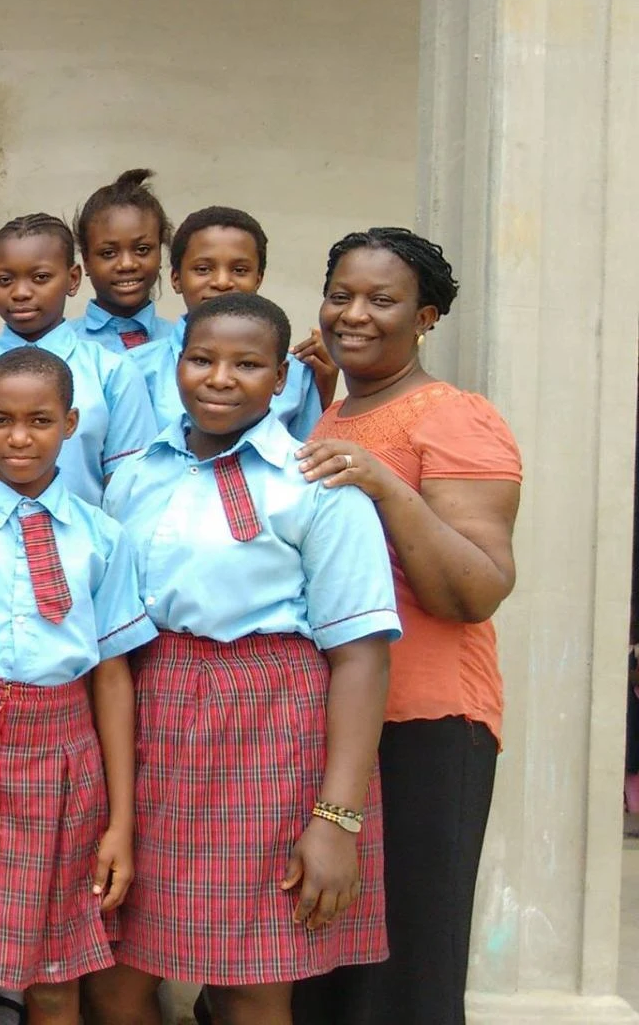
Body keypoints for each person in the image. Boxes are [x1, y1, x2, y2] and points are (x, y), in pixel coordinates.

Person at [86, 294, 396, 1025]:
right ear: (176, 362)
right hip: (145, 717)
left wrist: (336, 819)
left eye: (247, 364)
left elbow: (360, 656)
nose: (220, 378)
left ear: (282, 375)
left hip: (267, 732)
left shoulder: (315, 482)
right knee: (116, 970)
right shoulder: (133, 477)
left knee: (255, 981)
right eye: (201, 358)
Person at [291, 229, 522, 1025]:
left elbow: (479, 589)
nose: (353, 314)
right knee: (330, 971)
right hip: (342, 726)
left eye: (382, 300)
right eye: (341, 295)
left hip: (427, 725)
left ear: (425, 317)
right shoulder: (335, 414)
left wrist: (389, 485)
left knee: (405, 978)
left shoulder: (454, 418)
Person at [0, 347, 150, 1024]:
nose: (20, 438)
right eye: (3, 420)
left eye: (40, 421)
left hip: (66, 762)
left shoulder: (101, 537)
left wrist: (121, 822)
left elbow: (111, 675)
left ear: (70, 424)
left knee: (54, 981)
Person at [0, 214, 156, 504]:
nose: (21, 293)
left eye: (40, 278)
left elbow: (129, 489)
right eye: (5, 280)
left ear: (72, 279)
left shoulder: (111, 373)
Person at [130, 206, 337, 439]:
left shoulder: (295, 374)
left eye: (239, 270)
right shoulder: (136, 368)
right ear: (176, 279)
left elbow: (304, 460)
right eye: (203, 269)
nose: (221, 282)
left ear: (258, 279)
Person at [71, 170, 174, 352]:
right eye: (108, 253)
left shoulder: (182, 343)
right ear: (86, 260)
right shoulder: (64, 345)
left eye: (142, 250)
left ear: (160, 252)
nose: (127, 264)